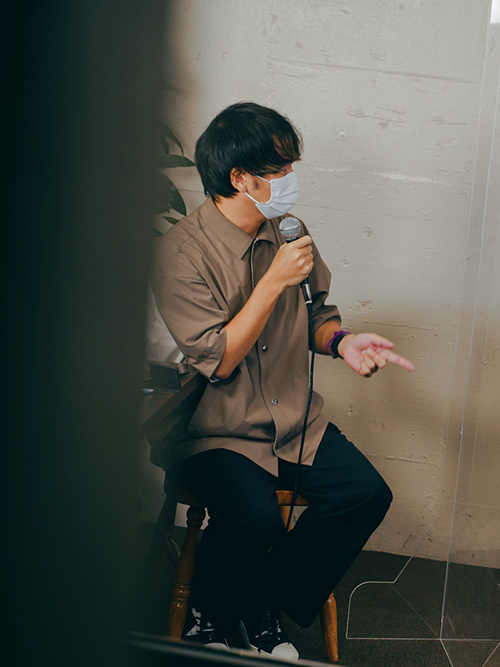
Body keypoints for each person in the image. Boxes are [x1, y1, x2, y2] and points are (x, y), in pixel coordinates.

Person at [150, 102, 413, 657]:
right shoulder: (179, 254)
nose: (291, 178)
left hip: (293, 419)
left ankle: (259, 599)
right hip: (218, 428)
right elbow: (218, 360)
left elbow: (318, 315)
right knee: (255, 520)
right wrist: (271, 282)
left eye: (291, 165)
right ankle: (208, 615)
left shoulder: (290, 231)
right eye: (279, 169)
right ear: (239, 178)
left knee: (364, 495)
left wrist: (343, 342)